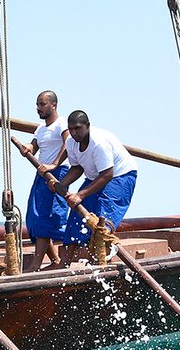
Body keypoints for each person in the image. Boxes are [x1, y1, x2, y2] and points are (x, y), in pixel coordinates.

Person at [54, 109, 139, 266]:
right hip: (96, 177)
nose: (73, 133)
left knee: (103, 217)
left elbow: (107, 175)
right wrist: (61, 183)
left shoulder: (99, 143)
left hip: (120, 176)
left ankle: (101, 261)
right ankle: (64, 263)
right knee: (76, 214)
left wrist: (80, 195)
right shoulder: (71, 143)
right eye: (70, 129)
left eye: (77, 128)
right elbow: (77, 168)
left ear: (87, 126)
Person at [12, 90, 69, 271]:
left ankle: (36, 264)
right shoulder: (41, 129)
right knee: (35, 217)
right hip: (42, 174)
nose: (38, 108)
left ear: (54, 105)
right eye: (37, 104)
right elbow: (34, 146)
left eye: (42, 104)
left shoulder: (62, 124)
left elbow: (68, 144)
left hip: (57, 173)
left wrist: (54, 164)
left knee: (46, 217)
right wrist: (26, 148)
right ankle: (55, 260)